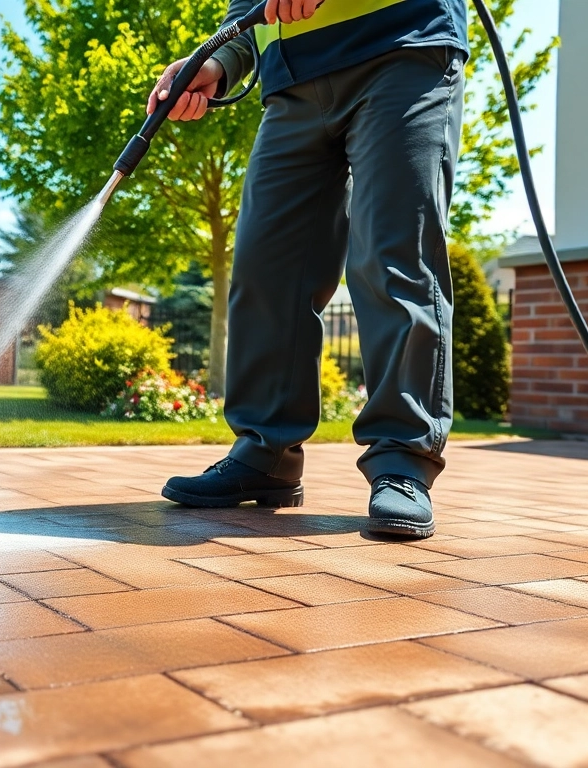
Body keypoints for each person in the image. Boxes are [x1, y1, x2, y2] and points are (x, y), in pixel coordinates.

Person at [153, 0, 469, 539]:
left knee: (392, 256)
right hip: (293, 82)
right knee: (266, 269)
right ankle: (265, 453)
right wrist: (218, 61)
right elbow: (250, 9)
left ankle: (402, 460)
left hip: (403, 45)